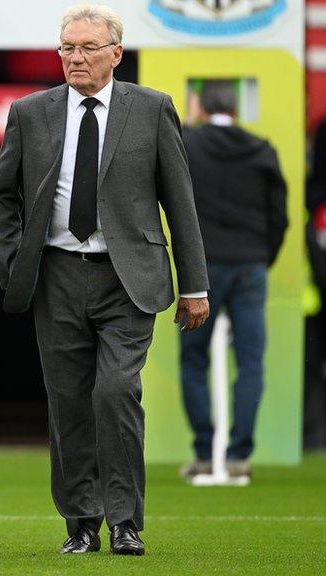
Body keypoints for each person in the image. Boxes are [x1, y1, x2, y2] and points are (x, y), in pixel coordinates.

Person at [0, 4, 209, 556]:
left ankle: (126, 521)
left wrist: (194, 284)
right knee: (68, 404)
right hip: (55, 275)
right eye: (67, 47)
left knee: (116, 392)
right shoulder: (30, 112)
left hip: (129, 278)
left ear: (115, 54)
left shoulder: (153, 109)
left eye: (86, 48)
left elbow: (179, 202)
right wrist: (17, 267)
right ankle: (82, 522)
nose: (75, 58)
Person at [177, 80, 288, 480]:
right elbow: (280, 216)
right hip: (249, 266)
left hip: (200, 269)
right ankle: (240, 455)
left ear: (202, 107)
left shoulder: (188, 143)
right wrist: (262, 257)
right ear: (237, 109)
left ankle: (205, 454)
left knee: (193, 361)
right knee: (251, 363)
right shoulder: (262, 150)